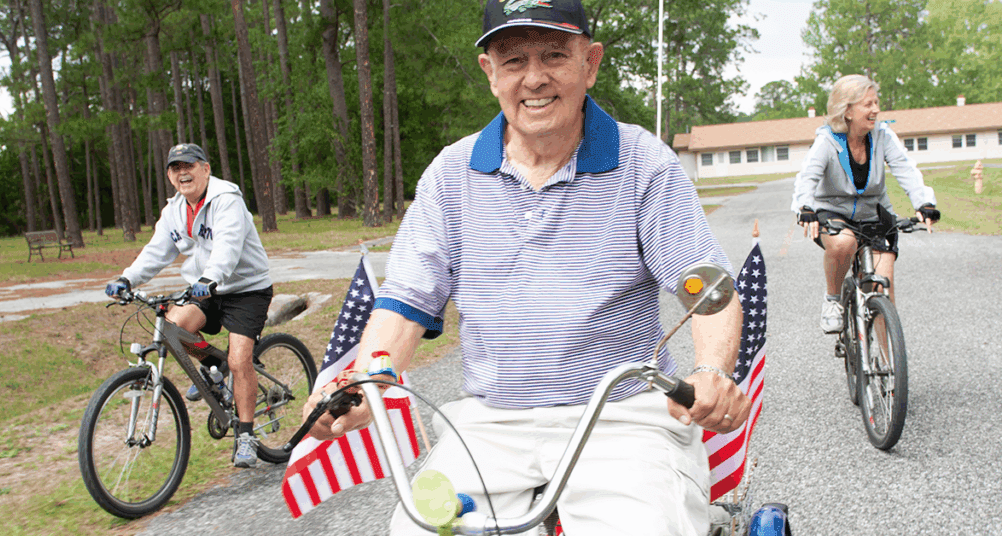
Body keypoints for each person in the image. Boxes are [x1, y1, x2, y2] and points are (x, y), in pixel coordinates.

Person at [303, 1, 750, 533]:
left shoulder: (643, 162)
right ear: (490, 73)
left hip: (622, 418)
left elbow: (709, 287)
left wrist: (713, 370)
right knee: (418, 528)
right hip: (491, 423)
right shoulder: (451, 174)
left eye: (554, 55)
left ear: (591, 63)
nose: (534, 79)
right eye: (514, 60)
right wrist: (364, 380)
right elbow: (405, 299)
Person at [105, 143, 273, 468]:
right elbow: (156, 251)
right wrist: (126, 279)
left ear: (205, 169)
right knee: (173, 327)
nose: (183, 172)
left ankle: (247, 435)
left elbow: (228, 246)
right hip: (205, 289)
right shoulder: (175, 211)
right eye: (175, 168)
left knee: (240, 361)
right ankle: (214, 368)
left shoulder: (226, 199)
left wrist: (210, 278)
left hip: (245, 289)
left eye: (189, 165)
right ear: (169, 176)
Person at [790, 74, 940, 333]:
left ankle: (887, 364)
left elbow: (905, 169)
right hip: (832, 212)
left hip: (874, 214)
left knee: (881, 288)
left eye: (876, 102)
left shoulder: (883, 135)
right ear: (847, 110)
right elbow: (808, 177)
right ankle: (833, 300)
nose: (876, 110)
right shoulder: (827, 141)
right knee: (844, 243)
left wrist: (924, 202)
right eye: (868, 104)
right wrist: (805, 208)